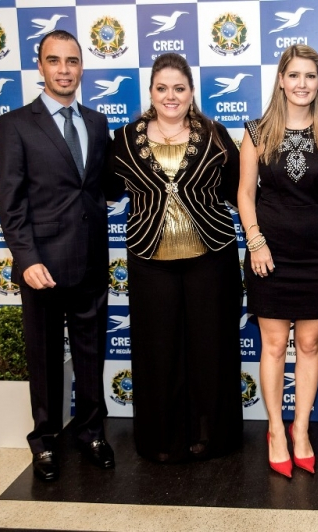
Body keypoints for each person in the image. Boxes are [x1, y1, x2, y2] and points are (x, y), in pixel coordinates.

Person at [103, 53, 242, 463]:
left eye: (179, 88)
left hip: (211, 256)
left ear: (191, 92)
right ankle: (162, 440)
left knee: (210, 348)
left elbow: (238, 191)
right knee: (158, 351)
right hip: (149, 260)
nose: (171, 96)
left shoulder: (215, 134)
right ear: (150, 92)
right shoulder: (124, 139)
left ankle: (210, 436)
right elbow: (108, 190)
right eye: (162, 88)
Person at [0, 30, 114, 481]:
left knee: (91, 355)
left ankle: (91, 433)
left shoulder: (97, 122)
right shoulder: (15, 124)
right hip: (42, 265)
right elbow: (11, 203)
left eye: (72, 61)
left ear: (82, 67)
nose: (64, 70)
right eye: (55, 60)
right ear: (40, 66)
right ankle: (44, 442)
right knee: (44, 359)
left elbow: (103, 186)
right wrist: (27, 260)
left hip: (91, 262)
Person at [238, 44, 318, 478]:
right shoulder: (256, 131)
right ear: (281, 80)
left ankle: (300, 429)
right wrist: (256, 242)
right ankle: (276, 431)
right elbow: (245, 194)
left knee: (309, 346)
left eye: (310, 76)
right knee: (272, 346)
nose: (302, 83)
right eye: (295, 75)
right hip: (270, 254)